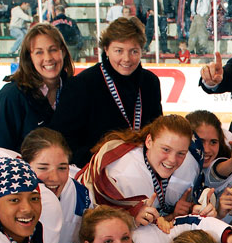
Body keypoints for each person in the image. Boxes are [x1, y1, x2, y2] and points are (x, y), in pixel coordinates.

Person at [51, 17, 163, 167]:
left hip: (140, 168)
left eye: (134, 51)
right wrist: (98, 163)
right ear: (106, 50)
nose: (126, 59)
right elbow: (64, 139)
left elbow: (156, 130)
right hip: (95, 170)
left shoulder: (150, 82)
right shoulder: (82, 84)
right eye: (119, 51)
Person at [0, 23, 74, 181]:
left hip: (57, 184)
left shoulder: (73, 90)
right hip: (19, 190)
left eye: (53, 49)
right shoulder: (11, 96)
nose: (48, 58)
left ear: (62, 52)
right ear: (29, 57)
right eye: (39, 52)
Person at [77, 114, 201, 224]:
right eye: (166, 149)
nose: (172, 160)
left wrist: (178, 214)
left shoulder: (189, 165)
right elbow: (102, 224)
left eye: (181, 153)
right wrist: (132, 218)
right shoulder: (123, 172)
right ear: (149, 142)